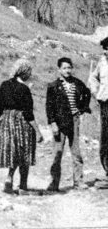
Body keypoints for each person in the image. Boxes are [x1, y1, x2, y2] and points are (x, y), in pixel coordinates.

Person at [0, 58, 43, 194]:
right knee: (25, 154)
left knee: (13, 152)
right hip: (21, 123)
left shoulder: (4, 85)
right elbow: (28, 113)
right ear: (24, 72)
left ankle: (9, 179)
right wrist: (38, 131)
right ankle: (23, 185)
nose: (30, 75)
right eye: (29, 72)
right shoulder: (24, 89)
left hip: (7, 122)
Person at [46, 57, 91, 191]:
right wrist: (52, 123)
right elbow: (49, 106)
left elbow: (87, 93)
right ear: (59, 69)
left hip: (74, 121)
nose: (67, 70)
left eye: (69, 68)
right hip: (59, 123)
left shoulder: (78, 83)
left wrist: (82, 109)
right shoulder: (53, 86)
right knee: (57, 153)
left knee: (76, 151)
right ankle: (54, 183)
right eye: (64, 68)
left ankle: (78, 182)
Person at [88, 36, 108, 184]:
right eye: (105, 49)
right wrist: (96, 93)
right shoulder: (102, 62)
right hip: (105, 104)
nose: (106, 52)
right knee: (105, 137)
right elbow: (93, 78)